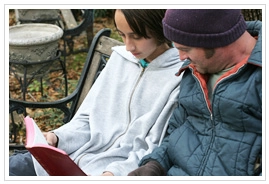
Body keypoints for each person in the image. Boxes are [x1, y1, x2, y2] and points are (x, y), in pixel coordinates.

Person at [9, 9, 184, 176]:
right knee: (10, 168)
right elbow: (87, 118)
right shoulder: (120, 58)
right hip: (69, 156)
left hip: (111, 171)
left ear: (159, 29)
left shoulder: (178, 77)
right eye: (122, 35)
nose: (128, 46)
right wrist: (57, 137)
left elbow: (154, 147)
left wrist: (114, 173)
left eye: (136, 37)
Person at [128, 9, 262, 176]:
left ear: (217, 40)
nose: (182, 57)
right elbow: (177, 131)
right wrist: (155, 164)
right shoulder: (193, 71)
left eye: (186, 48)